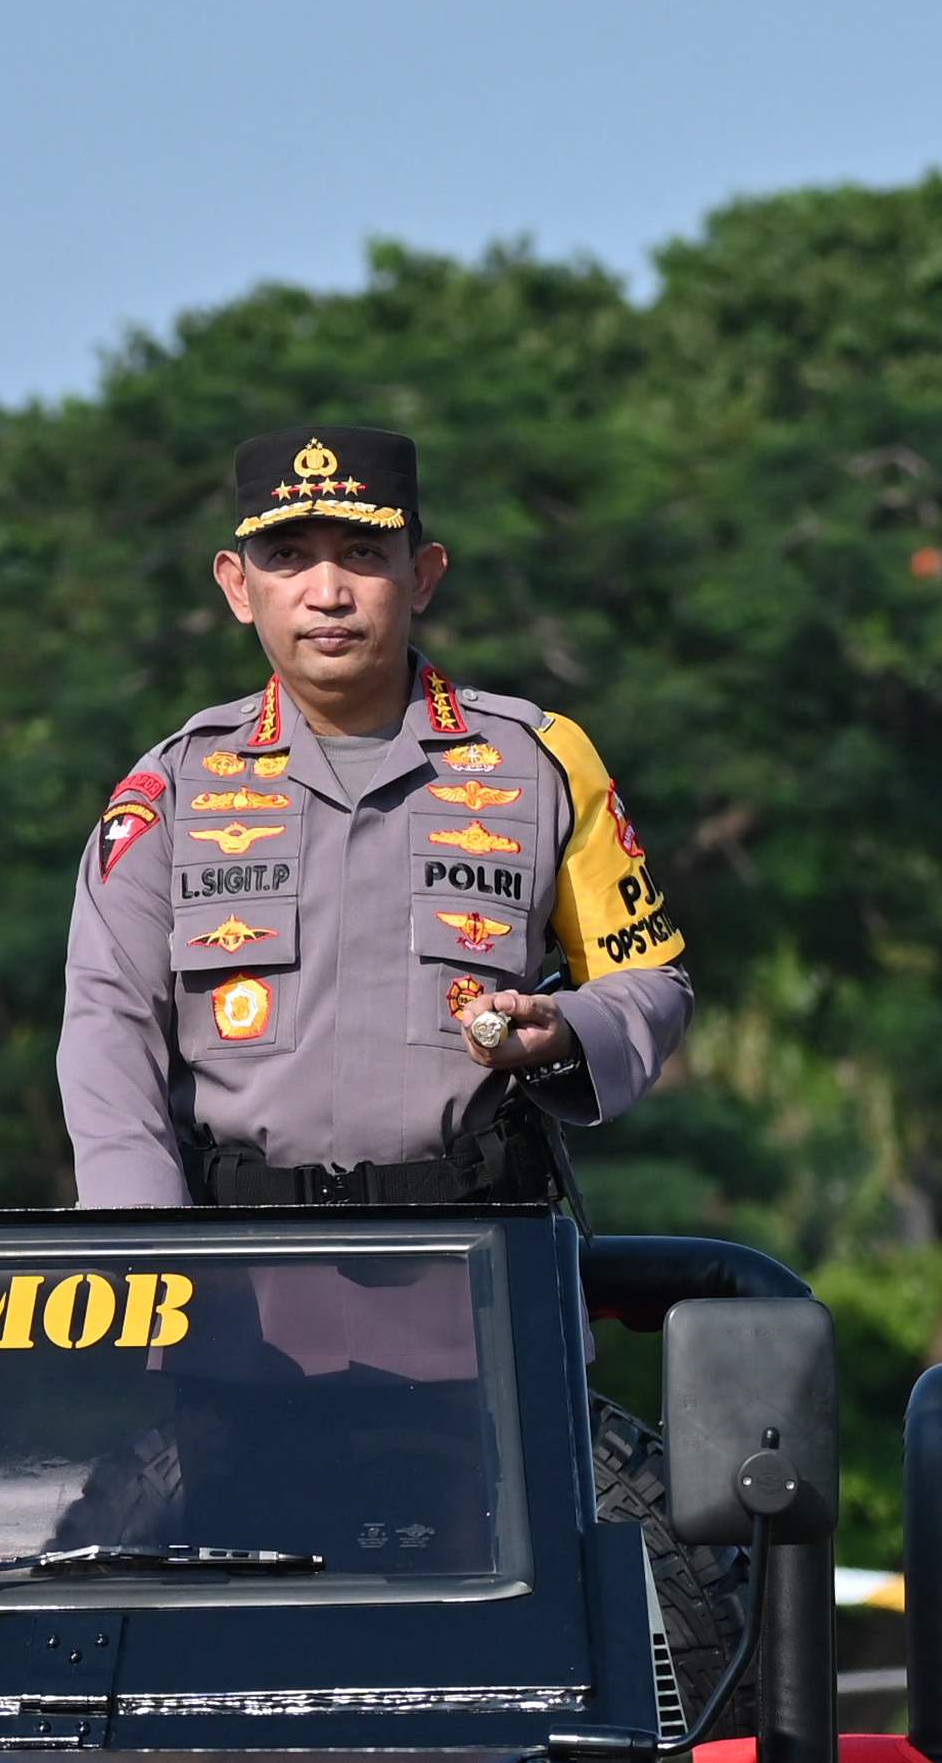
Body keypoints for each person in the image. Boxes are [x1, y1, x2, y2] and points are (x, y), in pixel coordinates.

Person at [59, 427, 691, 1209]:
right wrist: (150, 1262)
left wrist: (563, 1030)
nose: (328, 592)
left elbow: (647, 983)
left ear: (422, 576)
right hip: (236, 1269)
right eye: (287, 556)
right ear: (236, 584)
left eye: (362, 553)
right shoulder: (171, 791)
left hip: (478, 1259)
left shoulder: (541, 763)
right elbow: (108, 1035)